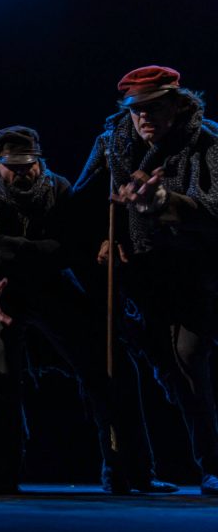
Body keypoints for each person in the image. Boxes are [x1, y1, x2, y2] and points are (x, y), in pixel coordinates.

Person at [0, 125, 171, 494]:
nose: (24, 172)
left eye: (29, 164)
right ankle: (0, 475)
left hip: (54, 288)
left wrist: (4, 242)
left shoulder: (58, 190)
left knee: (113, 367)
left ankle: (130, 471)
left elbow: (65, 249)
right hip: (4, 292)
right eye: (14, 166)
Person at [75, 65, 218, 494]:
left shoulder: (206, 142)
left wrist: (165, 202)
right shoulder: (112, 143)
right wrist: (103, 238)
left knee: (189, 358)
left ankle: (211, 464)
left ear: (177, 105)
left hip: (196, 272)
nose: (144, 118)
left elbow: (214, 210)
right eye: (136, 110)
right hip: (142, 276)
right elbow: (81, 202)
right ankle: (132, 468)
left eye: (154, 108)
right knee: (166, 367)